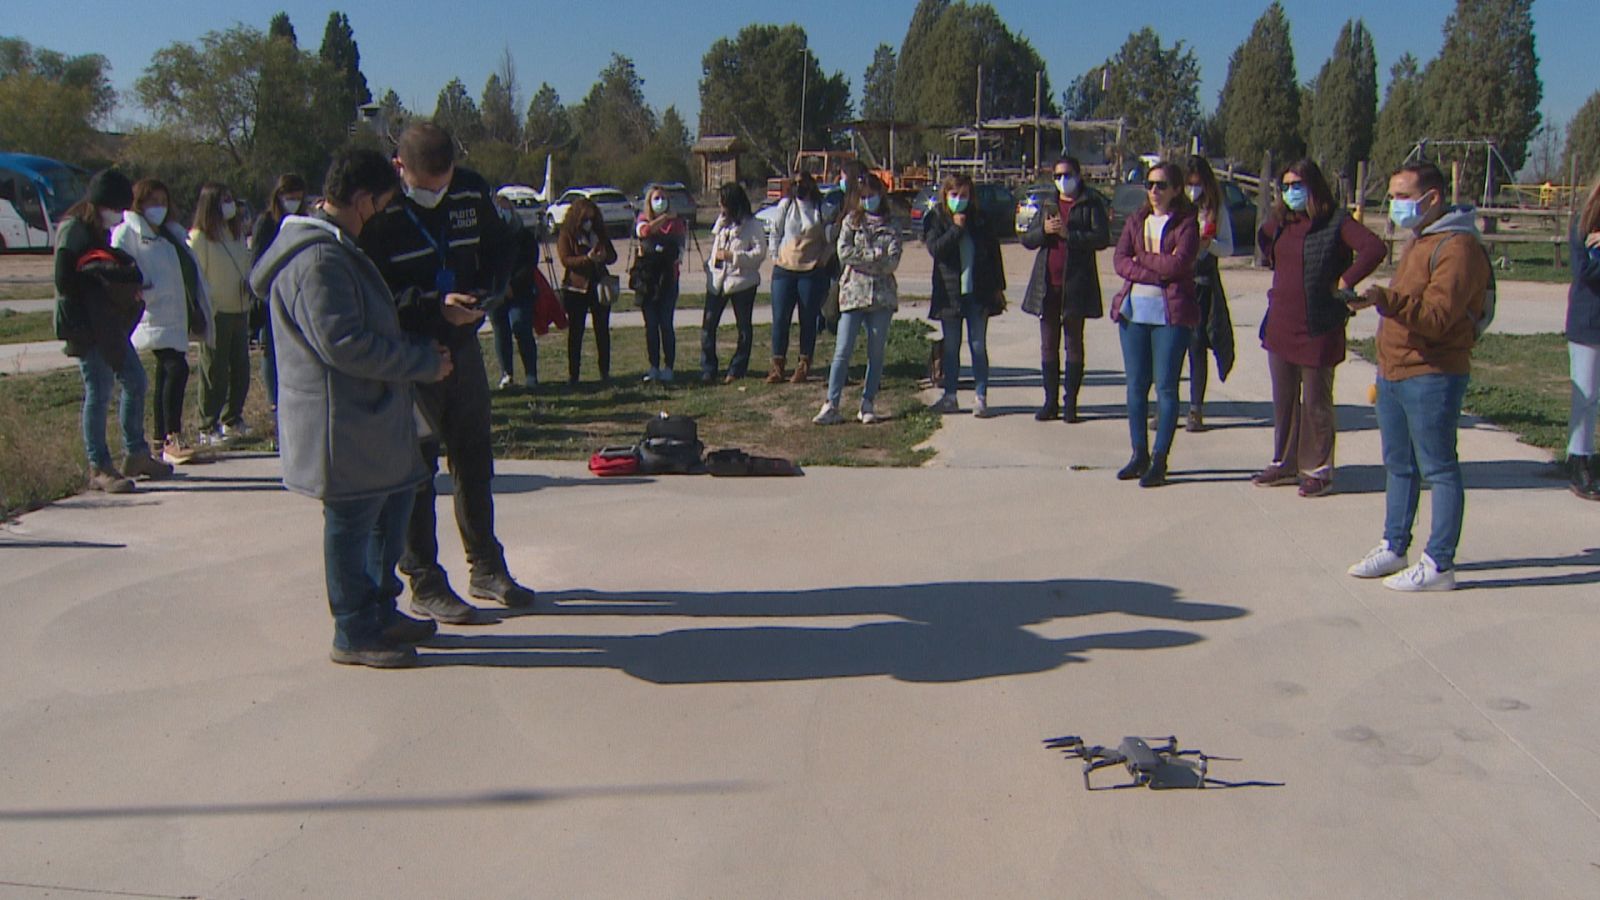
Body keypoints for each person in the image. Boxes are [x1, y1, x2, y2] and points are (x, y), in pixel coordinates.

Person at [250, 148, 454, 668]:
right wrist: (418, 362)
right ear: (361, 199)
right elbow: (344, 345)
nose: (381, 216)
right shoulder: (318, 259)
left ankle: (378, 608)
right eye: (380, 205)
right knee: (351, 522)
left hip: (368, 419)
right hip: (341, 424)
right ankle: (353, 628)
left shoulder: (334, 248)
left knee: (391, 506)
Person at [358, 122, 535, 622]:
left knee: (474, 455)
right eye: (425, 185)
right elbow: (374, 295)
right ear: (400, 170)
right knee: (416, 468)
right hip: (410, 354)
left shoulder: (470, 191)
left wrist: (491, 291)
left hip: (463, 344)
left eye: (444, 183)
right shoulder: (380, 212)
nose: (437, 194)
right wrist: (436, 305)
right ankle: (424, 579)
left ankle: (486, 565)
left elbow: (505, 247)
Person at [1346, 161, 1493, 592]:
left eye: (1403, 196)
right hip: (1395, 370)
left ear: (1432, 198)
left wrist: (1385, 299)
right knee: (1399, 465)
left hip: (1432, 373)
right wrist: (1375, 302)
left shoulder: (1457, 246)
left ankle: (1439, 563)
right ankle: (1395, 545)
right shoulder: (1421, 238)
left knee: (1439, 467)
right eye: (1392, 196)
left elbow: (1437, 316)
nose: (1395, 205)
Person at [1253, 159, 1386, 497]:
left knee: (1316, 401)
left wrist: (1346, 280)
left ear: (1314, 187)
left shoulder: (1336, 222)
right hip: (1281, 323)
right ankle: (1284, 462)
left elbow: (1374, 248)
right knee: (1284, 400)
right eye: (1285, 186)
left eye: (1297, 185)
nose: (1290, 192)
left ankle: (1319, 469)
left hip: (1319, 325)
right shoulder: (1282, 222)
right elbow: (1265, 240)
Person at [54, 170, 172, 493]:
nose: (118, 214)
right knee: (100, 389)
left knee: (135, 380)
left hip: (107, 324)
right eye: (116, 207)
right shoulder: (74, 229)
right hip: (85, 325)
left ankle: (135, 453)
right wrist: (102, 282)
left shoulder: (97, 230)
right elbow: (64, 279)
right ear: (100, 203)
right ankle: (99, 466)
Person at [1109, 161, 1200, 487]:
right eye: (1149, 184)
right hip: (1135, 313)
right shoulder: (1136, 220)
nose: (1154, 191)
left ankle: (1160, 460)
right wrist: (1155, 270)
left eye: (1161, 185)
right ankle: (1139, 454)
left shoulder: (1187, 224)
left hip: (1170, 316)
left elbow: (1178, 264)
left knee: (1165, 387)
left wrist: (1142, 259)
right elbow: (1119, 261)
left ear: (1176, 189)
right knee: (1136, 386)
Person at [114, 177, 213, 467]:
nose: (158, 208)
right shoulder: (128, 233)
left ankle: (160, 438)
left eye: (162, 201)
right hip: (152, 314)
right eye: (151, 202)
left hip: (177, 314)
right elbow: (121, 268)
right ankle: (172, 436)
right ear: (138, 204)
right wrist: (148, 291)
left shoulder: (172, 234)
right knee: (176, 367)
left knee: (167, 373)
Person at [1020, 155, 1111, 422]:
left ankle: (1070, 402)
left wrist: (1068, 235)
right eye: (1057, 176)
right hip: (1048, 284)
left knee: (1074, 344)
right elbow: (1028, 239)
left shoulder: (1090, 203)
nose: (1062, 180)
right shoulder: (1049, 203)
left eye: (1067, 174)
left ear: (1079, 174)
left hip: (1076, 284)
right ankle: (1050, 402)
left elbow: (1102, 238)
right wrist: (1044, 231)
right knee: (1048, 345)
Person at [815, 172, 902, 425]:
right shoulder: (851, 222)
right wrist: (874, 255)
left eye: (871, 196)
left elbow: (892, 261)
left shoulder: (892, 224)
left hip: (881, 297)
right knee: (842, 350)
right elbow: (844, 253)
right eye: (862, 197)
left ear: (880, 194)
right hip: (853, 293)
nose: (867, 201)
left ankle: (868, 403)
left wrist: (867, 258)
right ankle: (832, 403)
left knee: (876, 353)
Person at [925, 173, 1006, 417]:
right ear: (945, 195)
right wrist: (956, 229)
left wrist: (998, 287)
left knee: (978, 344)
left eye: (964, 195)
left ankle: (980, 396)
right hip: (950, 293)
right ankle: (950, 396)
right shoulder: (936, 218)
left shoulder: (981, 220)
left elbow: (994, 254)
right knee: (951, 346)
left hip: (977, 292)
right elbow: (936, 249)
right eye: (954, 195)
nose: (959, 200)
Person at [188, 181, 254, 443]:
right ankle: (207, 425)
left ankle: (232, 417)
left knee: (240, 368)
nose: (230, 205)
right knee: (214, 370)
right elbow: (196, 278)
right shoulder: (200, 237)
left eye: (231, 199)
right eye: (224, 200)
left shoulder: (236, 233)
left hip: (240, 307)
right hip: (216, 311)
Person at [1182, 155, 1238, 432]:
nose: (1193, 190)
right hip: (1176, 283)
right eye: (1188, 184)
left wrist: (1210, 244)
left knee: (1196, 348)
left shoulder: (1215, 209)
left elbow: (1228, 248)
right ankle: (1165, 405)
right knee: (1170, 349)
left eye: (1198, 184)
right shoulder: (1174, 207)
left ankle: (1195, 409)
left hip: (1203, 285)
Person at [767, 171, 832, 383]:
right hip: (784, 269)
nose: (798, 187)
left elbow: (832, 238)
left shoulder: (821, 209)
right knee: (780, 319)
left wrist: (823, 258)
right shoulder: (786, 206)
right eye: (794, 183)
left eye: (802, 183)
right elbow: (775, 232)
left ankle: (804, 364)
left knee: (808, 318)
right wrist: (775, 255)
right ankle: (778, 365)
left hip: (811, 270)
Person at [251, 174, 308, 411]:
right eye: (288, 197)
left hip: (298, 293)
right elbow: (257, 261)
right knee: (271, 352)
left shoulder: (303, 222)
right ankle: (275, 401)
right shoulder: (266, 222)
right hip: (271, 295)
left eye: (297, 197)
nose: (293, 202)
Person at [701, 183, 766, 383]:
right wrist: (710, 264)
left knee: (743, 327)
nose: (721, 206)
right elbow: (715, 246)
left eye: (724, 202)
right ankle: (708, 368)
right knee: (708, 325)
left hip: (742, 282)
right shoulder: (722, 222)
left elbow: (759, 254)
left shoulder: (753, 225)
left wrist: (734, 257)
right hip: (718, 281)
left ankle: (737, 368)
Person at [556, 197, 618, 383]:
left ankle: (604, 372)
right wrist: (587, 258)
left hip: (599, 287)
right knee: (576, 332)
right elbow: (566, 259)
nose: (588, 223)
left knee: (602, 330)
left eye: (591, 218)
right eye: (585, 219)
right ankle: (573, 374)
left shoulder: (599, 232)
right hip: (576, 288)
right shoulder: (567, 234)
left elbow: (613, 256)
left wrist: (604, 255)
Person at [1566, 172, 1600, 500]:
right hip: (1589, 321)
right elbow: (1586, 272)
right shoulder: (1583, 224)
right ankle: (1579, 459)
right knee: (1587, 395)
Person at [634, 185, 687, 382]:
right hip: (648, 281)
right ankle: (653, 366)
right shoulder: (642, 219)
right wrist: (664, 218)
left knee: (666, 324)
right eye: (656, 198)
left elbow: (679, 249)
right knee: (651, 325)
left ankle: (669, 366)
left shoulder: (677, 224)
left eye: (663, 198)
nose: (660, 202)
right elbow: (645, 231)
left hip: (668, 281)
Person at [490, 193, 540, 390]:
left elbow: (529, 264)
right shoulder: (488, 236)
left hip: (521, 291)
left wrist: (513, 284)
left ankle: (531, 375)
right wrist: (499, 285)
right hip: (496, 293)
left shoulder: (524, 236)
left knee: (520, 326)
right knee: (500, 332)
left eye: (505, 208)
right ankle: (507, 374)